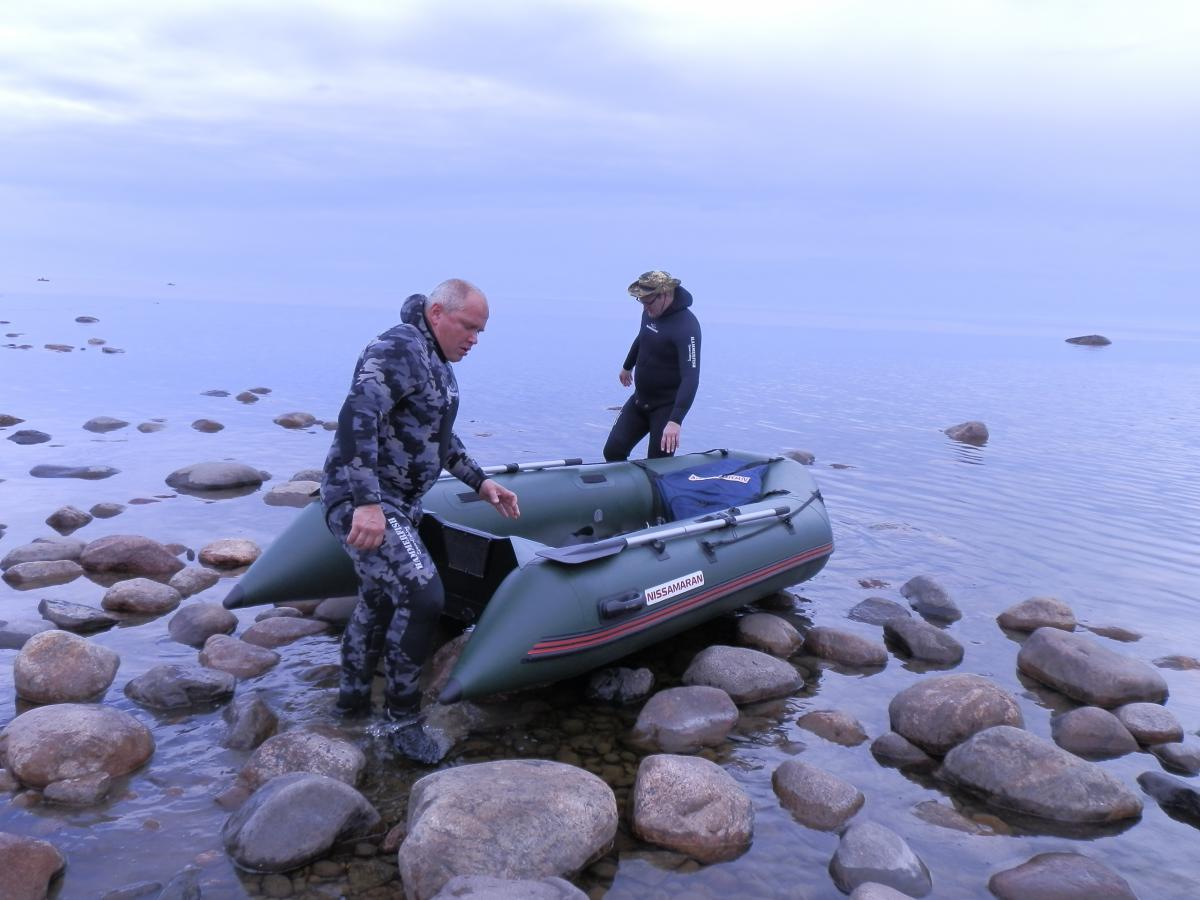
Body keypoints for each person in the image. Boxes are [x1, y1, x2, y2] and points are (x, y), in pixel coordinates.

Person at [320, 278, 519, 763]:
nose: (474, 339)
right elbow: (356, 417)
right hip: (367, 500)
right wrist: (367, 503)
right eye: (469, 327)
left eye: (481, 331)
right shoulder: (400, 348)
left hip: (398, 501)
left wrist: (481, 483)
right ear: (437, 313)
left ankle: (350, 705)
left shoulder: (438, 363)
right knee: (423, 593)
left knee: (377, 597)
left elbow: (438, 437)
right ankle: (402, 722)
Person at [603, 270, 702, 461]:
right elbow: (643, 336)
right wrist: (627, 366)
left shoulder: (686, 327)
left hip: (666, 409)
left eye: (648, 302)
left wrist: (675, 421)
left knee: (658, 465)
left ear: (664, 294)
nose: (645, 307)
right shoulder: (650, 311)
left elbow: (691, 378)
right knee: (612, 452)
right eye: (641, 301)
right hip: (639, 401)